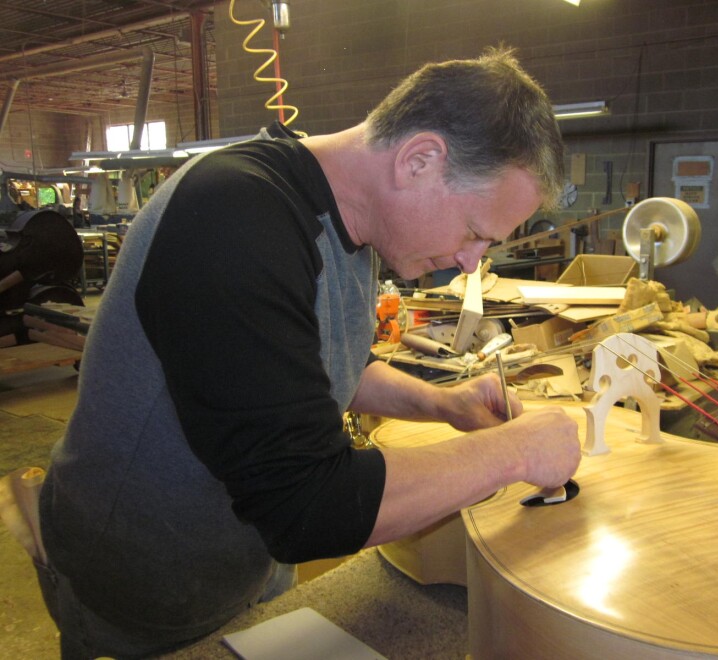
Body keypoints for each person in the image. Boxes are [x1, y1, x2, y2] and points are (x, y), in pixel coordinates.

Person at [36, 46, 582, 658]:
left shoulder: (353, 221)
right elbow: (307, 507)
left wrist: (445, 404)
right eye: (477, 233)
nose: (470, 261)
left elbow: (318, 363)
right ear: (419, 160)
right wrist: (512, 453)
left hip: (244, 561)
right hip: (144, 583)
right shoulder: (233, 218)